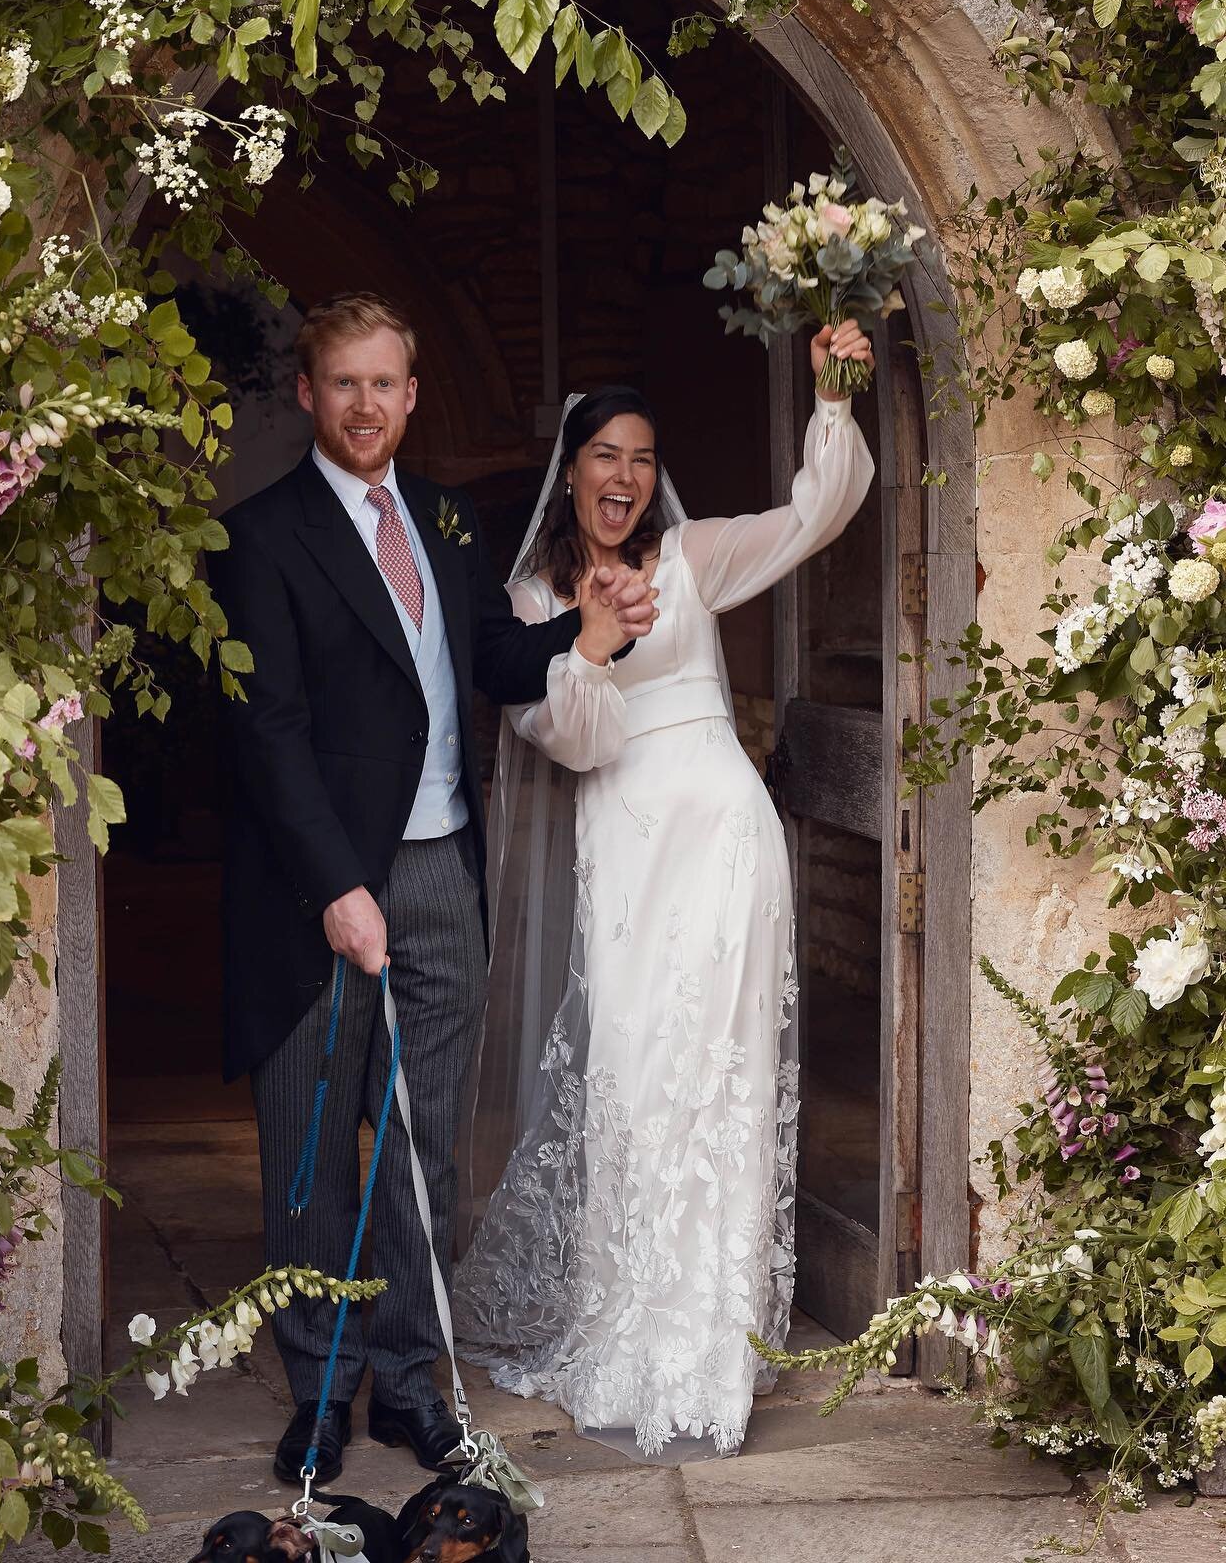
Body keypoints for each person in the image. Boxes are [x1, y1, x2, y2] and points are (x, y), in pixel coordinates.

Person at [209, 291, 658, 1487]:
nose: (367, 405)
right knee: (314, 1150)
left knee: (424, 1151)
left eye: (386, 385)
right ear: (310, 394)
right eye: (344, 384)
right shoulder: (261, 535)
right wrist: (336, 887)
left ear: (413, 396)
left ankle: (411, 1384)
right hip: (329, 887)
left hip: (443, 872)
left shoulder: (448, 519)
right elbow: (271, 735)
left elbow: (486, 660)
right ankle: (318, 1394)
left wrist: (581, 629)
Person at [454, 320, 876, 1461]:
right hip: (627, 847)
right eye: (607, 456)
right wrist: (586, 644)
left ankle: (709, 1358)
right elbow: (571, 741)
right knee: (636, 1087)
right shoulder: (534, 595)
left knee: (723, 1088)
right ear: (572, 467)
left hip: (727, 839)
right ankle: (630, 1336)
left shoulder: (692, 559)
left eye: (643, 458)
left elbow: (816, 513)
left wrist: (831, 402)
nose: (627, 478)